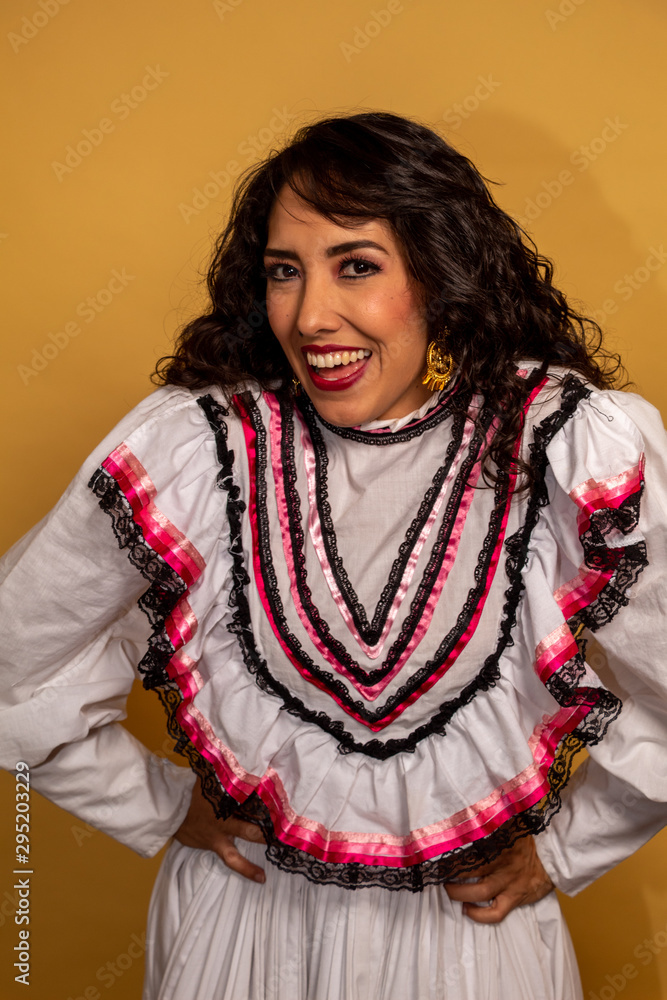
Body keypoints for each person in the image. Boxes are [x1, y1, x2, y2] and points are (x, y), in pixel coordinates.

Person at [2, 110, 667, 1000]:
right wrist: (155, 803)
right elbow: (16, 654)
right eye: (285, 272)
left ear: (438, 272)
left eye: (357, 265)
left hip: (465, 946)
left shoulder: (559, 446)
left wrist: (567, 847)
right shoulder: (202, 448)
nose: (311, 315)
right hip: (239, 936)